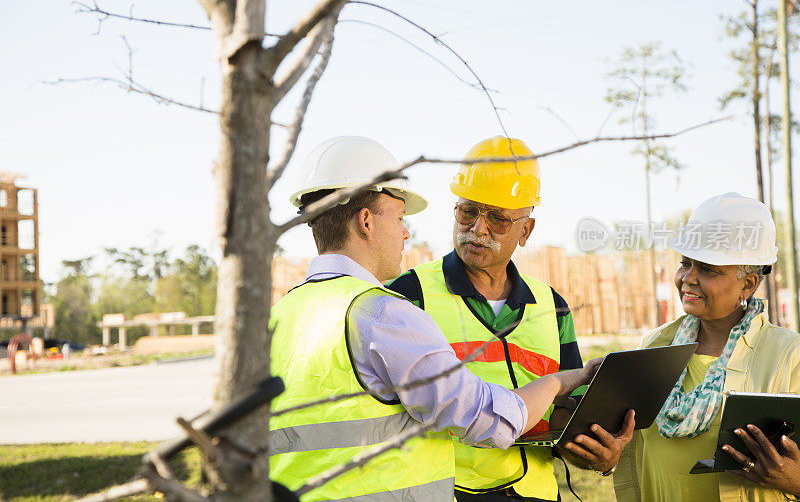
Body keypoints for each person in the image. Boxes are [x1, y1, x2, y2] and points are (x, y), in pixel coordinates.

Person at [268, 136, 598, 502]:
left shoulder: (278, 315)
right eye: (399, 218)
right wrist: (557, 383)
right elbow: (487, 420)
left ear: (526, 230)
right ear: (366, 221)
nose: (406, 231)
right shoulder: (388, 310)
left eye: (499, 219)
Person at [388, 136, 633, 502]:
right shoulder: (408, 296)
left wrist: (601, 451)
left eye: (499, 219)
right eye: (468, 211)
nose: (479, 228)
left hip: (535, 493)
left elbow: (572, 411)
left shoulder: (552, 306)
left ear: (526, 231)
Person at [613, 192, 800, 502]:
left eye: (709, 269)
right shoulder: (654, 346)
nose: (688, 279)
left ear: (748, 283)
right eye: (686, 263)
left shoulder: (788, 356)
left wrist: (795, 480)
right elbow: (630, 448)